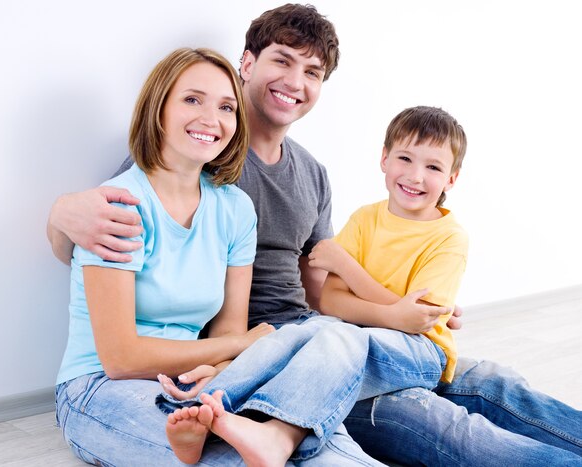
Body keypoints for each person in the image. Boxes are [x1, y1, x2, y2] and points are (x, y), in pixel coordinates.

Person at [48, 3, 582, 465]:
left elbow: (320, 287)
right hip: (260, 357)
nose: (295, 82)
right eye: (282, 60)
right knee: (450, 430)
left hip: (314, 340)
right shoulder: (196, 156)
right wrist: (60, 213)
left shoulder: (309, 174)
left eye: (312, 72)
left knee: (491, 381)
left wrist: (406, 309)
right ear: (247, 64)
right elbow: (104, 239)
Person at [54, 46, 384, 467]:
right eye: (192, 100)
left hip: (201, 379)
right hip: (101, 388)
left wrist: (224, 367)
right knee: (236, 457)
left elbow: (227, 330)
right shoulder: (119, 206)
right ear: (158, 108)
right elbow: (121, 358)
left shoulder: (234, 208)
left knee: (339, 339)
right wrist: (239, 346)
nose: (211, 119)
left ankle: (277, 436)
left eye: (227, 106)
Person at [312, 105, 468, 386]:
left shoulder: (449, 237)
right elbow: (331, 301)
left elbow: (417, 319)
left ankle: (278, 426)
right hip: (358, 336)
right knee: (308, 334)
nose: (415, 176)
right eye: (405, 158)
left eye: (433, 167)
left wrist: (345, 267)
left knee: (334, 348)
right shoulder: (364, 219)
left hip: (422, 351)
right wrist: (395, 314)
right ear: (385, 158)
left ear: (451, 179)